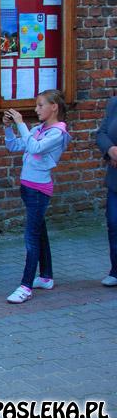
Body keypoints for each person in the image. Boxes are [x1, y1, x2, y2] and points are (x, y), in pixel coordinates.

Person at [3, 89, 71, 304]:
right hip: (27, 187)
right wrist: (8, 128)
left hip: (39, 191)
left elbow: (35, 147)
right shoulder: (39, 129)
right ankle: (46, 277)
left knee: (31, 238)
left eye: (41, 105)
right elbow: (14, 145)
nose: (36, 109)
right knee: (40, 233)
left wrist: (20, 123)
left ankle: (25, 286)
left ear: (54, 107)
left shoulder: (58, 133)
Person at [96, 96, 117, 287]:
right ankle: (115, 270)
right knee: (113, 223)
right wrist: (110, 150)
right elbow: (101, 133)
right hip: (115, 179)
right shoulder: (114, 103)